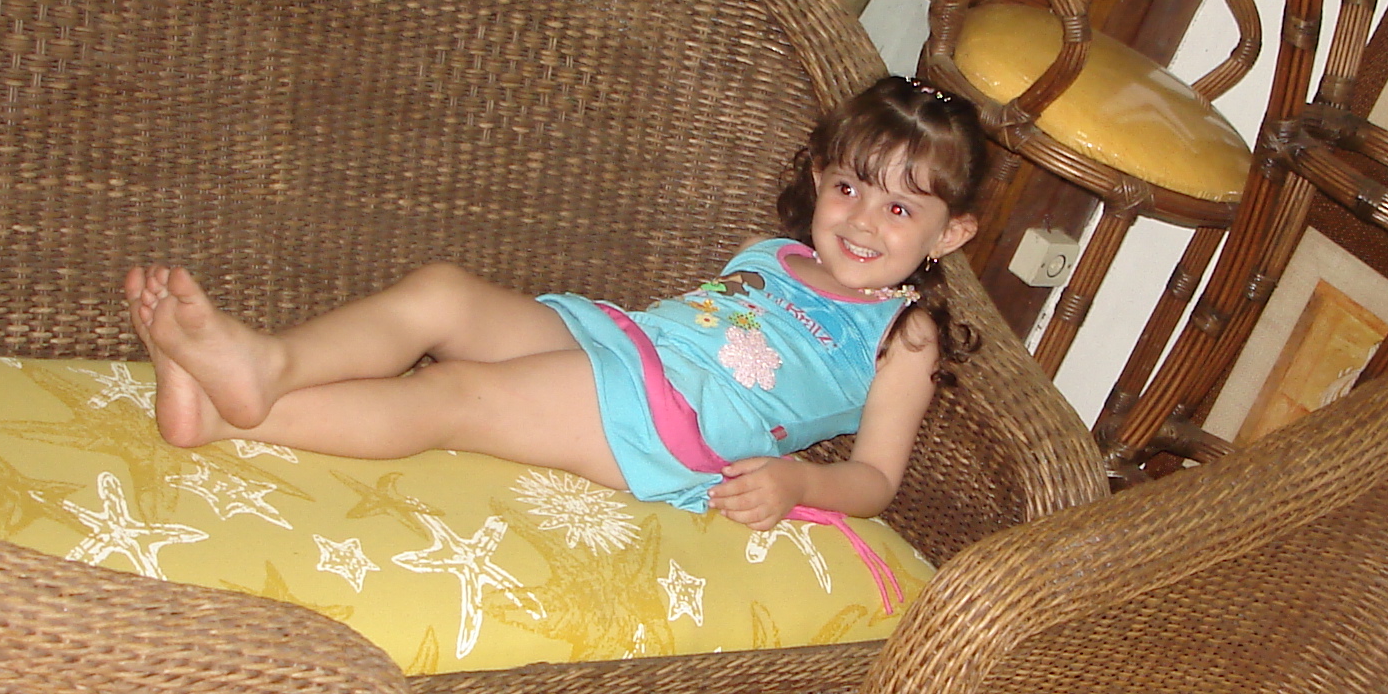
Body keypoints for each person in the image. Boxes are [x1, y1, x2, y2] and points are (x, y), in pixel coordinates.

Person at [123, 78, 987, 532]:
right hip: (623, 342)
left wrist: (798, 481)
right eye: (849, 187)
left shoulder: (904, 335)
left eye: (900, 208)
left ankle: (227, 419)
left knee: (456, 395)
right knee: (443, 291)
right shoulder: (777, 254)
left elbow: (876, 481)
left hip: (672, 426)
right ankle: (267, 364)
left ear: (948, 235)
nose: (862, 220)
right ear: (820, 177)